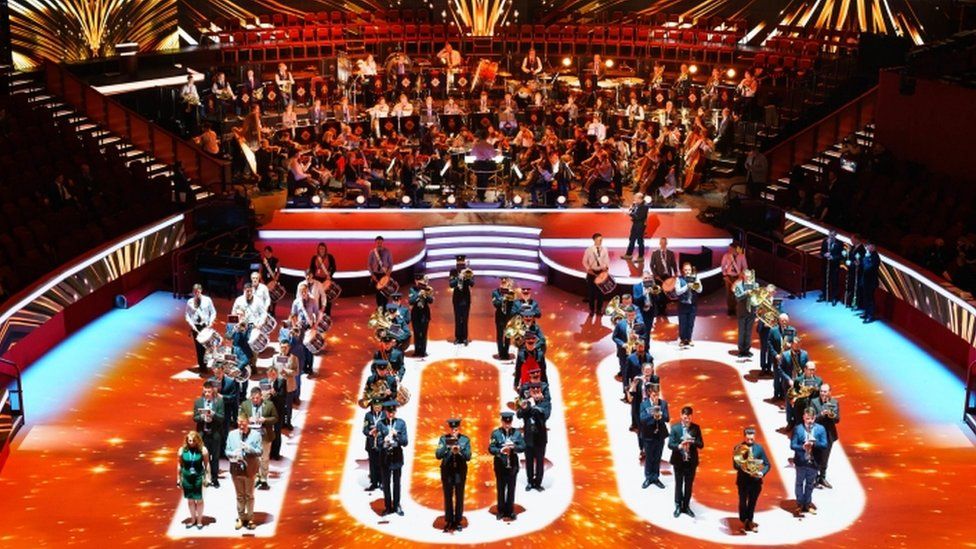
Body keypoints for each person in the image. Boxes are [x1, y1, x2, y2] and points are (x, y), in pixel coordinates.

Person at [225, 414, 263, 530]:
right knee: (240, 495)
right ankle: (241, 517)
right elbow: (227, 451)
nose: (241, 425)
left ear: (248, 422)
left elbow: (260, 451)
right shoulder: (232, 434)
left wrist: (249, 449)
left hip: (250, 469)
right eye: (239, 422)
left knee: (249, 495)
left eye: (243, 422)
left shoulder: (256, 435)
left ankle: (250, 518)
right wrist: (233, 454)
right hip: (236, 469)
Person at [239, 387, 279, 491]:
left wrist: (265, 419)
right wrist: (247, 420)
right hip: (250, 436)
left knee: (264, 458)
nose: (255, 400)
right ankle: (256, 478)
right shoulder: (245, 404)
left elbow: (275, 418)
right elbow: (239, 418)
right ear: (250, 397)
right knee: (252, 458)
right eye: (253, 398)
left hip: (264, 435)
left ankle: (264, 479)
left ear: (261, 396)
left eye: (257, 398)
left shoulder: (269, 405)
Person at [436, 418, 472, 532]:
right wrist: (447, 448)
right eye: (452, 429)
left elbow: (468, 456)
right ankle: (449, 520)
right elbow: (438, 454)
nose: (454, 432)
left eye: (456, 429)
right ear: (450, 429)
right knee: (448, 496)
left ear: (458, 429)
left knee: (459, 496)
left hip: (460, 471)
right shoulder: (443, 439)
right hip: (447, 471)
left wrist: (460, 449)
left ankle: (458, 521)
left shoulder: (465, 440)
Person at [668, 405, 704, 518]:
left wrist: (692, 441)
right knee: (679, 484)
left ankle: (686, 506)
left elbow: (701, 444)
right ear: (681, 416)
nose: (686, 420)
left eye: (688, 418)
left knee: (688, 485)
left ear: (691, 417)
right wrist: (679, 446)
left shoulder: (696, 428)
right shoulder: (675, 428)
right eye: (684, 417)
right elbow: (670, 444)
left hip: (691, 462)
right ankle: (678, 505)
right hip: (679, 461)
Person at [790, 408, 828, 516]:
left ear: (814, 418)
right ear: (803, 418)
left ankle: (807, 503)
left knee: (810, 484)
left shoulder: (820, 429)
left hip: (814, 461)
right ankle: (799, 504)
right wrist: (803, 446)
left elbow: (824, 444)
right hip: (801, 461)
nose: (809, 421)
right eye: (807, 419)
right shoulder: (798, 429)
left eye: (811, 419)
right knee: (799, 483)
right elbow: (792, 445)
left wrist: (813, 444)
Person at [489, 411, 525, 520]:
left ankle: (509, 511)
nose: (507, 424)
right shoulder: (496, 433)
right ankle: (501, 511)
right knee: (500, 488)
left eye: (509, 422)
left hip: (513, 464)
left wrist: (514, 448)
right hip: (500, 464)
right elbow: (491, 448)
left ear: (512, 422)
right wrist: (500, 450)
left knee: (511, 488)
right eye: (505, 422)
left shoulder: (517, 433)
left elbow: (523, 446)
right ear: (502, 421)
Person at [733, 427, 771, 533]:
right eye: (748, 439)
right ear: (744, 437)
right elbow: (735, 465)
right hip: (743, 481)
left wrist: (761, 473)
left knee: (752, 502)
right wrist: (745, 466)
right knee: (743, 502)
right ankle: (744, 519)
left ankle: (749, 520)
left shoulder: (759, 448)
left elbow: (768, 464)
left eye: (752, 439)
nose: (750, 441)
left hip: (755, 481)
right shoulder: (738, 448)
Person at [517, 382, 551, 491]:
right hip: (528, 436)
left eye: (537, 388)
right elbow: (519, 414)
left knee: (540, 461)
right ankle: (530, 482)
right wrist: (525, 407)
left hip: (540, 437)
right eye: (533, 388)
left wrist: (536, 405)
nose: (535, 390)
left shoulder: (545, 402)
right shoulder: (524, 401)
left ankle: (538, 483)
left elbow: (545, 415)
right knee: (529, 460)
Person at [377, 400, 409, 516]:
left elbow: (405, 442)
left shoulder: (401, 423)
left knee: (396, 483)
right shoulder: (380, 424)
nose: (391, 414)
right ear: (385, 412)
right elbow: (378, 443)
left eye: (393, 411)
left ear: (396, 411)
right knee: (386, 483)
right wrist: (384, 440)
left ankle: (396, 505)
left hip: (396, 458)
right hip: (385, 458)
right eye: (389, 411)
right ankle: (388, 507)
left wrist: (397, 435)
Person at [193, 380, 224, 489]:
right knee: (202, 457)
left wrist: (213, 414)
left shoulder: (219, 402)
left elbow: (222, 418)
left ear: (213, 392)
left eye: (209, 392)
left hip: (215, 434)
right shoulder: (198, 402)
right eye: (205, 392)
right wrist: (202, 417)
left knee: (215, 458)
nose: (207, 394)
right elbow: (194, 418)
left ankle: (214, 479)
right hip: (203, 434)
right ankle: (204, 478)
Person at [177, 430, 210, 530]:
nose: (191, 443)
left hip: (198, 477)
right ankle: (193, 519)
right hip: (187, 478)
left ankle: (199, 520)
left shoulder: (203, 450)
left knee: (199, 500)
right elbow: (179, 464)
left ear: (197, 441)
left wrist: (208, 477)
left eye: (193, 441)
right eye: (189, 441)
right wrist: (178, 478)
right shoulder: (182, 450)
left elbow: (207, 464)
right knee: (190, 500)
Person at [810, 384, 840, 488]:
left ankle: (822, 477)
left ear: (830, 392)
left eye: (825, 391)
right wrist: (822, 413)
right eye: (821, 391)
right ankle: (814, 477)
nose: (823, 393)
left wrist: (832, 415)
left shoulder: (834, 402)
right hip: (817, 434)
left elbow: (837, 420)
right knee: (815, 456)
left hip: (829, 434)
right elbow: (811, 418)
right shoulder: (814, 402)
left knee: (825, 457)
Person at [639, 385, 669, 489]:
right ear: (649, 394)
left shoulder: (663, 403)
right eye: (654, 394)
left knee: (657, 456)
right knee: (649, 457)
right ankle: (648, 477)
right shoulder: (644, 404)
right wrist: (653, 412)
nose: (656, 397)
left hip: (660, 434)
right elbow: (642, 419)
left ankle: (655, 477)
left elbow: (667, 418)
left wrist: (660, 414)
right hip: (648, 435)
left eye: (657, 394)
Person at [185, 284, 217, 372]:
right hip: (196, 326)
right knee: (198, 346)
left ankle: (206, 363)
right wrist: (192, 325)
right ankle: (202, 366)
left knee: (206, 346)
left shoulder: (207, 300)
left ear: (201, 291)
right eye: (195, 292)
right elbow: (187, 315)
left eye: (198, 292)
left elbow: (213, 312)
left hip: (205, 325)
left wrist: (211, 322)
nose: (196, 294)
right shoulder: (190, 302)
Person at [674, 262, 703, 347]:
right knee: (682, 323)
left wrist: (694, 286)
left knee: (691, 323)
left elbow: (700, 290)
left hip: (692, 305)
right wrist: (687, 286)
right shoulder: (679, 279)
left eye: (689, 270)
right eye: (686, 270)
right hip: (682, 305)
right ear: (683, 270)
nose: (687, 271)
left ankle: (689, 338)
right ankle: (683, 339)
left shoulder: (695, 278)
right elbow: (678, 292)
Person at [649, 237, 678, 319]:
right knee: (659, 294)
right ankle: (658, 310)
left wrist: (675, 273)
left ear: (666, 243)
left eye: (664, 243)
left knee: (665, 295)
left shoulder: (670, 253)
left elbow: (673, 264)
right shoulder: (655, 253)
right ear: (659, 243)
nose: (663, 244)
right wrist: (655, 275)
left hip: (667, 277)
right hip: (658, 277)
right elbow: (651, 265)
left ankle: (663, 310)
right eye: (661, 243)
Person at [732, 269, 759, 358]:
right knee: (742, 332)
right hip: (742, 311)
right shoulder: (739, 286)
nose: (748, 278)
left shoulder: (755, 285)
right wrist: (746, 293)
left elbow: (758, 298)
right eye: (746, 276)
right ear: (743, 276)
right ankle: (741, 350)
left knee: (749, 332)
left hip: (751, 311)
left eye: (749, 276)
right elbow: (737, 298)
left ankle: (747, 350)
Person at [582, 233, 611, 315]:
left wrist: (606, 267)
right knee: (591, 293)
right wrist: (588, 269)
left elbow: (607, 260)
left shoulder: (605, 249)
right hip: (592, 273)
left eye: (602, 239)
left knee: (601, 293)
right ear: (594, 240)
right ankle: (591, 310)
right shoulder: (589, 250)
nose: (601, 241)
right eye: (599, 239)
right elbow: (584, 261)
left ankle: (599, 309)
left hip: (601, 272)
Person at [449, 256, 474, 345]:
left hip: (465, 299)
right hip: (456, 299)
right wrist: (458, 278)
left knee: (465, 318)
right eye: (458, 263)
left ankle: (464, 337)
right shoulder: (453, 272)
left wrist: (465, 278)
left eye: (461, 263)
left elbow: (472, 284)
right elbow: (451, 284)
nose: (460, 264)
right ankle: (457, 337)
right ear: (456, 263)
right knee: (457, 318)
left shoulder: (469, 271)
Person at [491, 277, 518, 360]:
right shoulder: (495, 292)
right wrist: (503, 298)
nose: (503, 284)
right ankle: (500, 353)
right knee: (499, 335)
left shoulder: (511, 293)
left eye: (505, 283)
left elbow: (514, 305)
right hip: (499, 317)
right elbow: (495, 304)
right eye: (502, 282)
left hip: (508, 317)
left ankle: (506, 353)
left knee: (507, 335)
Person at [263, 367, 287, 460]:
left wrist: (274, 393)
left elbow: (282, 398)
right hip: (268, 412)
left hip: (278, 412)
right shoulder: (264, 382)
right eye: (270, 375)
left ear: (276, 374)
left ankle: (276, 453)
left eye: (273, 374)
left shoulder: (282, 382)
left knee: (277, 432)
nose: (271, 376)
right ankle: (268, 452)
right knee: (268, 432)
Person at [408, 275, 434, 358]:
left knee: (423, 333)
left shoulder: (427, 288)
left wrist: (425, 294)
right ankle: (417, 351)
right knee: (416, 333)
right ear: (415, 281)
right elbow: (411, 301)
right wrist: (418, 294)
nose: (419, 282)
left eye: (421, 280)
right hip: (415, 314)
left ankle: (423, 351)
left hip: (424, 314)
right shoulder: (412, 289)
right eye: (417, 281)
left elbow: (431, 301)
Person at [766, 313, 795, 390]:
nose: (784, 322)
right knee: (776, 377)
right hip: (777, 357)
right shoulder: (773, 330)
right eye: (782, 321)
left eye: (785, 321)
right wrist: (776, 355)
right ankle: (776, 395)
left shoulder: (792, 330)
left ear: (788, 321)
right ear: (779, 321)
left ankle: (784, 395)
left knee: (786, 377)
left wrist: (791, 345)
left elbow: (796, 343)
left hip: (788, 358)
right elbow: (769, 344)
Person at [363, 398, 385, 492]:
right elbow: (364, 429)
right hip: (371, 443)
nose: (377, 408)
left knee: (382, 463)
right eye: (375, 406)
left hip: (382, 443)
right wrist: (370, 433)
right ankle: (374, 483)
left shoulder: (385, 415)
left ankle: (383, 482)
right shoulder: (368, 415)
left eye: (379, 406)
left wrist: (381, 432)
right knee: (372, 464)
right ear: (372, 406)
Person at [276, 340, 299, 430]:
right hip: (279, 385)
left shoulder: (294, 358)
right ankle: (281, 422)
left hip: (289, 384)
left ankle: (288, 422)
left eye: (286, 347)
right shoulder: (275, 357)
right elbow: (272, 370)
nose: (284, 349)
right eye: (282, 347)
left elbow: (296, 372)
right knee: (280, 405)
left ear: (289, 348)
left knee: (288, 405)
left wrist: (287, 371)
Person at [721, 241, 748, 316]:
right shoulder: (726, 256)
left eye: (731, 249)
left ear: (735, 249)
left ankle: (737, 308)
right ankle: (730, 309)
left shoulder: (741, 256)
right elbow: (723, 266)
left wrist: (742, 275)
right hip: (729, 276)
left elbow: (745, 267)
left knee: (737, 293)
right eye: (729, 248)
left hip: (738, 277)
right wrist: (725, 275)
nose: (729, 250)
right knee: (729, 294)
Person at [367, 236, 394, 309]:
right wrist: (372, 275)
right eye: (378, 242)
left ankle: (385, 307)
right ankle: (379, 307)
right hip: (376, 275)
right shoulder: (372, 252)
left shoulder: (387, 251)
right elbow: (369, 265)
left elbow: (391, 263)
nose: (379, 243)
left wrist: (389, 272)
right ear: (375, 243)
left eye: (381, 242)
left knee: (385, 292)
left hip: (384, 274)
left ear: (383, 242)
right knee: (378, 292)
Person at [819, 231, 844, 305]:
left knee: (834, 282)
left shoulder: (840, 243)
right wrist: (824, 254)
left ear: (835, 235)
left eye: (832, 235)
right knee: (824, 280)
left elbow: (841, 256)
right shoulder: (825, 241)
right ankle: (824, 295)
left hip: (834, 266)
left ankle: (834, 298)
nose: (831, 237)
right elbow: (821, 252)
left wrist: (833, 257)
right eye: (830, 235)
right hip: (825, 265)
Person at [623, 193, 649, 261]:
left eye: (635, 198)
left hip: (640, 225)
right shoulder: (636, 204)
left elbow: (639, 216)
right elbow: (633, 212)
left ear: (640, 199)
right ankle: (629, 254)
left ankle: (641, 256)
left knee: (640, 241)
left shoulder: (645, 206)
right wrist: (631, 209)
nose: (634, 199)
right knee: (631, 239)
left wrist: (630, 214)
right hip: (635, 224)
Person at [860, 242, 880, 323]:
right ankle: (866, 312)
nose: (866, 248)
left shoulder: (875, 257)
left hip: (871, 282)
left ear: (873, 247)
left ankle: (870, 316)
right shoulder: (868, 256)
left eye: (868, 246)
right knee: (865, 297)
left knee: (870, 298)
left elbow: (868, 268)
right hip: (865, 280)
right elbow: (863, 266)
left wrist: (866, 259)